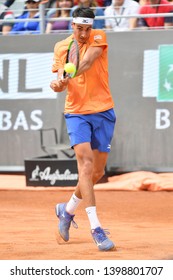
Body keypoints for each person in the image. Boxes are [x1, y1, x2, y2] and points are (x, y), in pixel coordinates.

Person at [50, 7, 116, 251]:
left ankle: (66, 211)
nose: (84, 33)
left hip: (104, 110)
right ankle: (96, 229)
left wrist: (72, 71)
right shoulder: (61, 47)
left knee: (96, 173)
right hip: (76, 113)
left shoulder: (99, 37)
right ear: (72, 25)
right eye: (80, 28)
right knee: (85, 166)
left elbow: (87, 61)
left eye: (87, 28)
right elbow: (58, 78)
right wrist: (58, 83)